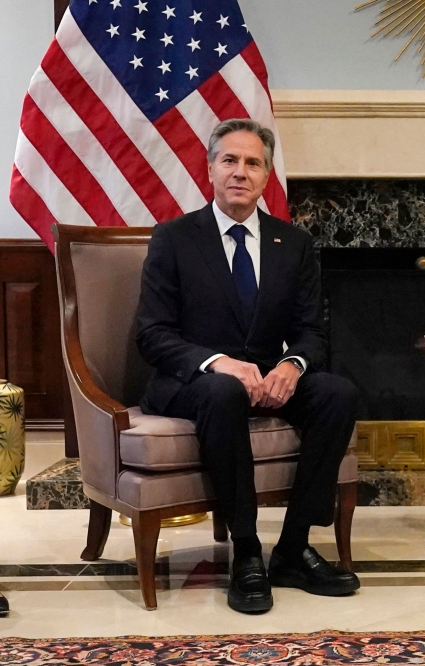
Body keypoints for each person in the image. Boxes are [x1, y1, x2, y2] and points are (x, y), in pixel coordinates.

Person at [136, 119, 360, 614]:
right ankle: (247, 549)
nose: (240, 171)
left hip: (265, 377)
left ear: (266, 176)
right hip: (196, 382)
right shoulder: (174, 238)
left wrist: (292, 365)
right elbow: (152, 334)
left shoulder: (293, 243)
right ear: (210, 169)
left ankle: (293, 547)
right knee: (225, 392)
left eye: (253, 163)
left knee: (336, 393)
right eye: (230, 160)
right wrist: (218, 363)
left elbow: (311, 331)